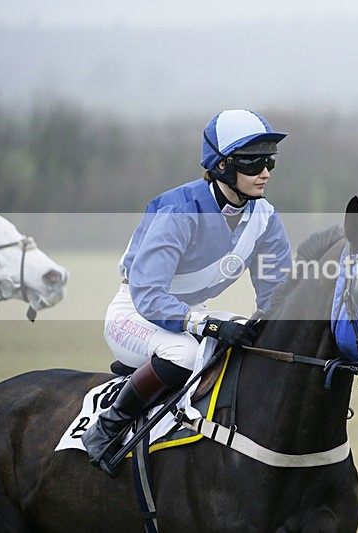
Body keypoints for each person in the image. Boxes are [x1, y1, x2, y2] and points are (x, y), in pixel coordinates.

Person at [81, 109, 293, 476]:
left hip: (189, 313)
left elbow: (277, 295)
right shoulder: (177, 210)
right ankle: (107, 427)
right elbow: (148, 295)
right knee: (183, 352)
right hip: (135, 312)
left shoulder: (266, 219)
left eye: (269, 160)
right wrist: (209, 325)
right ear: (224, 166)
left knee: (253, 342)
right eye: (254, 161)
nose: (266, 172)